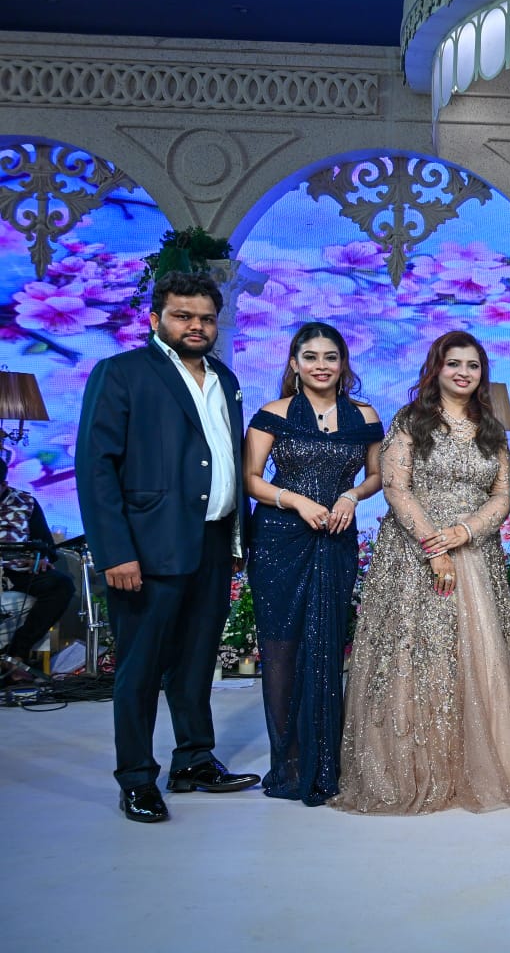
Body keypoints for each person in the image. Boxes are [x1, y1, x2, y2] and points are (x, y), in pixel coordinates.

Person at [331, 331, 510, 814]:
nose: (463, 373)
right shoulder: (412, 420)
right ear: (437, 368)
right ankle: (412, 764)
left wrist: (466, 531)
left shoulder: (491, 427)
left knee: (478, 655)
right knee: (417, 654)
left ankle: (479, 761)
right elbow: (396, 488)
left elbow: (503, 494)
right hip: (415, 553)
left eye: (473, 365)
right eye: (454, 364)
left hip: (475, 554)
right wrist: (436, 546)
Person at [77, 271, 261, 823]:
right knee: (140, 668)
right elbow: (96, 467)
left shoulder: (225, 378)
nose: (196, 326)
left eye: (206, 318)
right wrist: (115, 551)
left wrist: (236, 537)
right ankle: (136, 778)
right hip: (147, 547)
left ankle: (194, 760)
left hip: (212, 541)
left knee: (197, 660)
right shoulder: (122, 373)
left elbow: (223, 458)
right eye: (183, 316)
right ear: (156, 319)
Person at [243, 323, 383, 805]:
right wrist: (296, 501)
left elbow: (377, 475)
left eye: (330, 357)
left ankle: (327, 761)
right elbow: (251, 479)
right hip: (280, 538)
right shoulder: (273, 413)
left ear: (343, 364)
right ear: (294, 364)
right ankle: (288, 763)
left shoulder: (364, 415)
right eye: (311, 357)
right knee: (282, 647)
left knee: (327, 641)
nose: (321, 365)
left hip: (336, 537)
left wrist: (351, 495)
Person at [0, 456, 75, 685]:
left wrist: (41, 559)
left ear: (4, 484)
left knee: (61, 585)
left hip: (16, 571)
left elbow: (47, 547)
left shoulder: (24, 502)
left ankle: (15, 656)